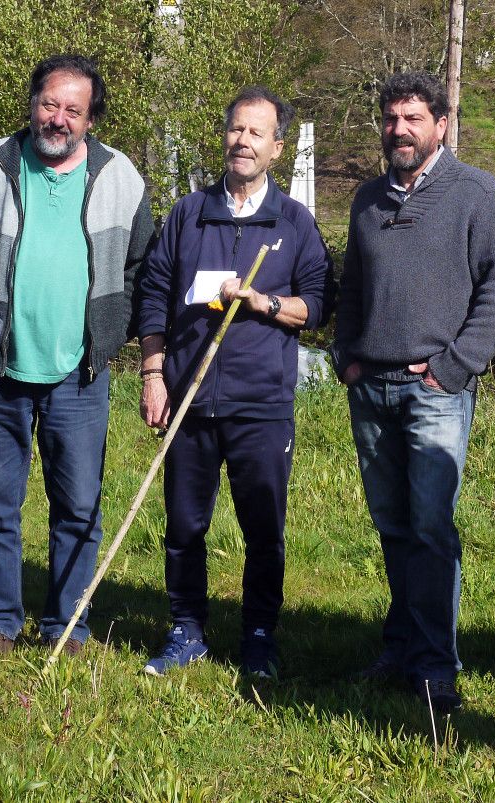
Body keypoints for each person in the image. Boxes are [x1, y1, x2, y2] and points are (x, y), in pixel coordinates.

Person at [0, 54, 155, 659]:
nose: (58, 119)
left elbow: (144, 268)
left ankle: (68, 624)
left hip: (80, 375)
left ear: (91, 120)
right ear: (32, 104)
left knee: (79, 507)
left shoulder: (122, 177)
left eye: (73, 110)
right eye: (49, 104)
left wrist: (113, 334)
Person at [329, 72, 495, 712]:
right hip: (371, 388)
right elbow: (350, 285)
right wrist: (347, 355)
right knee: (392, 525)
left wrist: (457, 365)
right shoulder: (367, 199)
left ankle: (437, 667)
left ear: (441, 124)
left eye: (413, 118)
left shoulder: (475, 193)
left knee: (432, 527)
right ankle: (403, 645)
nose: (400, 130)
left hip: (433, 388)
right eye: (391, 118)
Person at [135, 86, 334, 677]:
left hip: (261, 404)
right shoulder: (188, 215)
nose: (242, 141)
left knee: (262, 528)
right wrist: (153, 373)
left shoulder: (294, 223)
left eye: (256, 133)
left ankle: (258, 638)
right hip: (189, 398)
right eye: (235, 130)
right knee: (184, 525)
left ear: (278, 147)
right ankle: (186, 630)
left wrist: (261, 302)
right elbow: (153, 296)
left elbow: (317, 306)